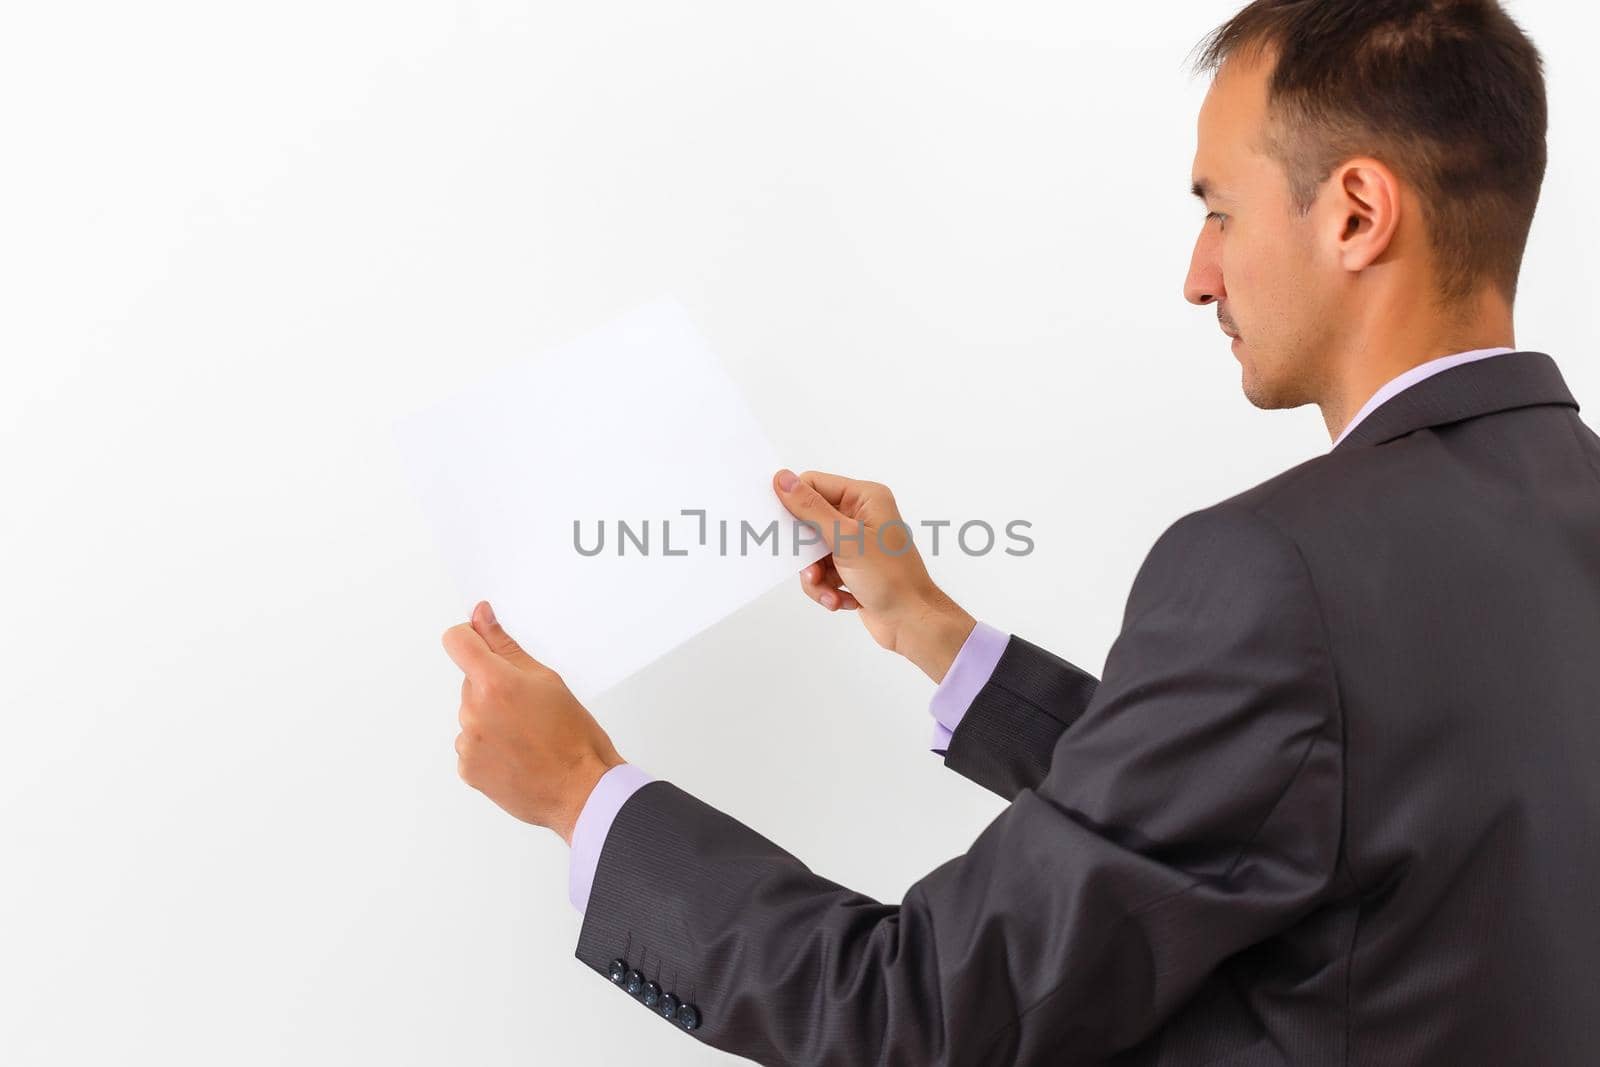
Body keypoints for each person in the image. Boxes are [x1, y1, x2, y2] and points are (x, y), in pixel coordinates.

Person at [441, 1, 1600, 1062]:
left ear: (1355, 211)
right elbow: (1291, 803)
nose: (1198, 275)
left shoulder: (1278, 572)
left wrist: (582, 792)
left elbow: (923, 1010)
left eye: (1218, 209)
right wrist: (937, 634)